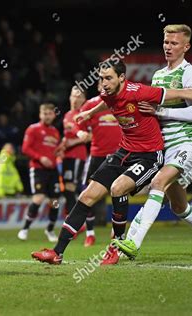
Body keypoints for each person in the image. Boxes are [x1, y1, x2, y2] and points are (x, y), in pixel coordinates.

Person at [30, 59, 192, 265]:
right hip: (123, 152)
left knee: (118, 188)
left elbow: (182, 93)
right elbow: (105, 101)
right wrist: (89, 113)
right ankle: (57, 253)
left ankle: (116, 246)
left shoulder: (139, 91)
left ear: (121, 78)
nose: (104, 83)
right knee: (87, 195)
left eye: (108, 78)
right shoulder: (108, 93)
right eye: (101, 78)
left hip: (150, 155)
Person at [115, 24, 192, 261]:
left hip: (188, 144)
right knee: (178, 206)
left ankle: (134, 242)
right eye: (166, 42)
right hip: (165, 146)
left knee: (160, 182)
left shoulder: (190, 73)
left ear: (186, 46)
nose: (168, 47)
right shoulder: (159, 75)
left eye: (174, 43)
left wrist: (160, 113)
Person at [76, 80, 122, 247]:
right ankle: (90, 234)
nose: (105, 86)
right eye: (102, 83)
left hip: (120, 155)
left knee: (119, 192)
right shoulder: (91, 104)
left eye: (108, 82)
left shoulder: (120, 101)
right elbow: (79, 122)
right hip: (97, 155)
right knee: (88, 194)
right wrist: (80, 131)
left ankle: (117, 233)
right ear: (98, 87)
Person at [18, 103, 61, 242]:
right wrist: (40, 158)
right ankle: (25, 229)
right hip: (38, 169)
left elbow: (55, 151)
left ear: (54, 115)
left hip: (53, 171)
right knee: (39, 198)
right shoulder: (33, 129)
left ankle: (50, 229)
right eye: (44, 113)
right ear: (40, 114)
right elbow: (25, 148)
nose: (47, 116)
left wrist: (58, 157)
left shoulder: (55, 132)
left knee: (55, 202)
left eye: (50, 113)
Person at [57, 86, 89, 241]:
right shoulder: (67, 115)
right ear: (70, 97)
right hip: (67, 157)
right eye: (74, 96)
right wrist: (63, 145)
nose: (76, 99)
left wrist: (71, 143)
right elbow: (67, 136)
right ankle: (74, 223)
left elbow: (89, 136)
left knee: (71, 188)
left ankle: (76, 223)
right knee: (68, 189)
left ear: (84, 99)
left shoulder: (82, 116)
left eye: (79, 96)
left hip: (77, 156)